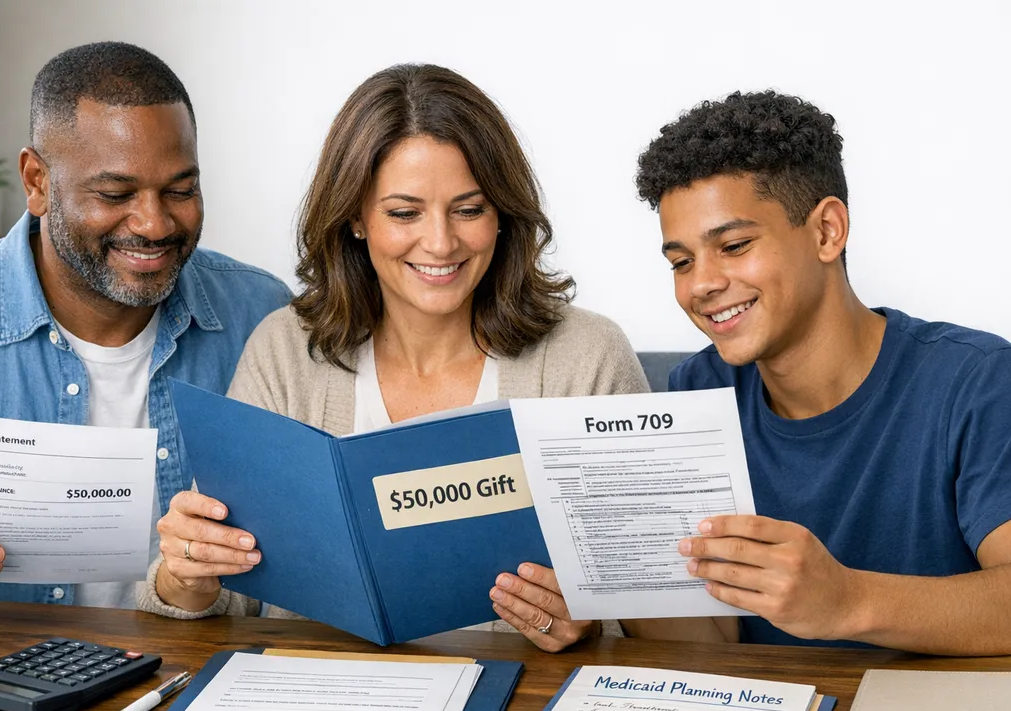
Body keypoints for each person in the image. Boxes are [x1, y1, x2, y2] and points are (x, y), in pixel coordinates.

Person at [139, 64, 651, 651]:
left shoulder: (588, 359)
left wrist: (588, 620)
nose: (440, 242)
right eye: (404, 213)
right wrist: (186, 574)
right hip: (316, 706)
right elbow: (226, 588)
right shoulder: (285, 351)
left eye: (469, 208)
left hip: (520, 709)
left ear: (503, 213)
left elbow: (649, 610)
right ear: (356, 216)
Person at [0, 42, 289, 612]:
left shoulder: (262, 316)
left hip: (198, 676)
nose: (155, 223)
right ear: (37, 181)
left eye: (181, 190)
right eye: (115, 194)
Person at [631, 90, 1011, 655]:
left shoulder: (978, 382)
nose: (700, 285)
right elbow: (708, 643)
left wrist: (846, 601)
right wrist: (615, 583)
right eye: (681, 262)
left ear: (827, 231)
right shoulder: (697, 392)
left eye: (734, 245)